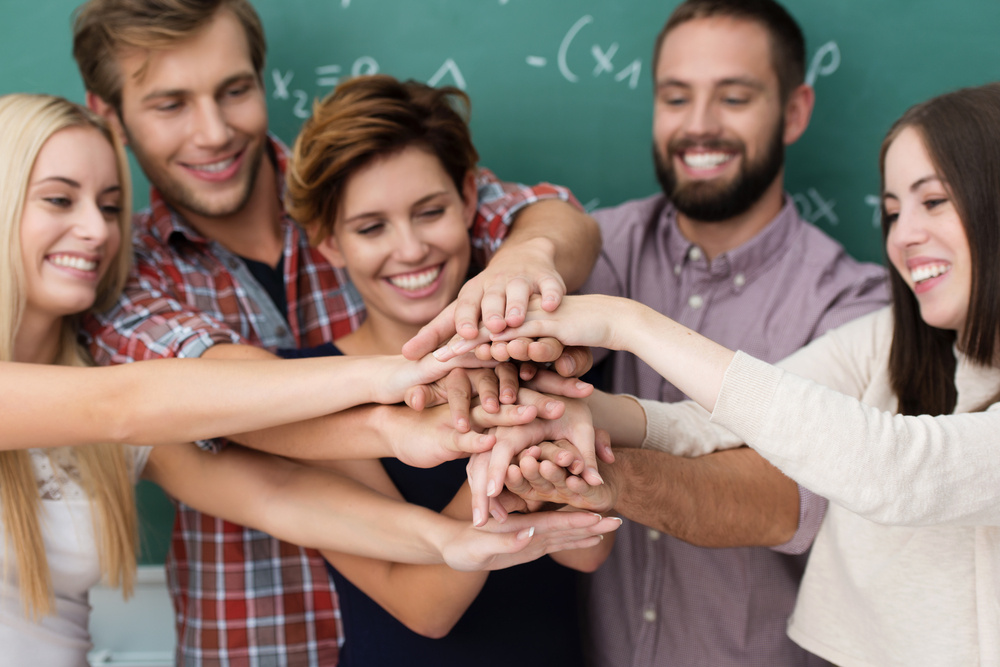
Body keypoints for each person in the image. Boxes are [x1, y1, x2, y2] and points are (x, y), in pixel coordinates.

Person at [0, 92, 620, 667]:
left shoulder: (97, 370)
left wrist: (448, 540)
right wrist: (397, 384)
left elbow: (278, 497)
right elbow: (127, 402)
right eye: (59, 199)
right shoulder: (124, 389)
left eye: (112, 205)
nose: (99, 230)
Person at [437, 0, 888, 664]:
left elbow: (780, 500)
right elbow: (555, 224)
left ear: (794, 111)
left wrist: (610, 481)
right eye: (676, 97)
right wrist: (522, 265)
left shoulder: (852, 305)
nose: (699, 126)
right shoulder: (607, 246)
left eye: (734, 97)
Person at [493, 81, 1000, 667]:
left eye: (933, 201)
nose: (904, 236)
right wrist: (555, 411)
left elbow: (894, 471)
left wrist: (625, 323)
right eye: (891, 211)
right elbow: (710, 421)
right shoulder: (889, 337)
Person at [280, 73, 614, 666]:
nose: (410, 249)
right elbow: (425, 606)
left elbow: (585, 553)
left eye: (429, 211)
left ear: (467, 198)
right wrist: (508, 444)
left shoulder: (542, 354)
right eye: (371, 227)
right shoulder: (309, 387)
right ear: (328, 241)